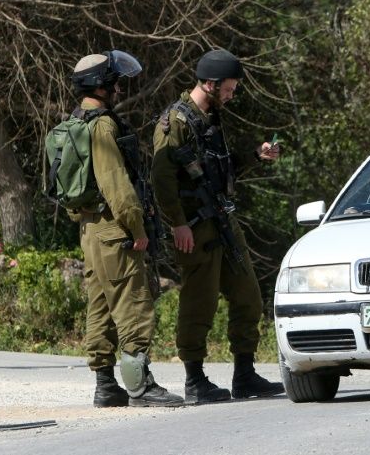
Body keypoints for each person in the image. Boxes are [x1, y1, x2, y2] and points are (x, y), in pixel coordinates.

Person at [151, 49, 284, 404]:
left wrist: (257, 156)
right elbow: (162, 180)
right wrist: (178, 224)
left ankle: (245, 374)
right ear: (209, 84)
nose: (232, 94)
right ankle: (195, 380)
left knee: (248, 295)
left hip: (223, 220)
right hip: (194, 228)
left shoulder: (212, 117)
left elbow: (219, 170)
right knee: (199, 301)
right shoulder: (174, 123)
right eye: (228, 88)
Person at [70, 51, 184, 408]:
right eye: (114, 82)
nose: (119, 88)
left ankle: (106, 385)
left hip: (91, 230)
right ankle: (140, 386)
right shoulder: (102, 125)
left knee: (101, 304)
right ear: (100, 85)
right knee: (133, 303)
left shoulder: (77, 121)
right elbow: (116, 185)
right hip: (114, 229)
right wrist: (136, 227)